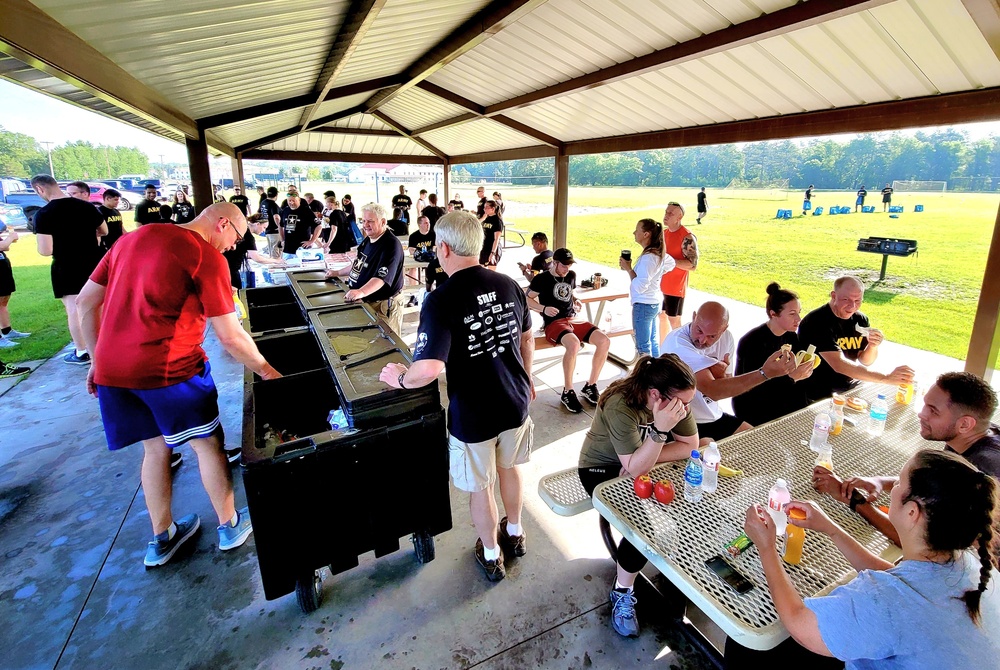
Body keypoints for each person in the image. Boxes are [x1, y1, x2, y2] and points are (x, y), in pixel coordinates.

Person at [76, 202, 280, 567]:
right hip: (170, 372)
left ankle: (163, 536)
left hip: (114, 374)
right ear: (222, 224)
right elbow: (230, 336)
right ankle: (229, 524)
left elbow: (86, 303)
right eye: (236, 237)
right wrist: (265, 369)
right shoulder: (204, 255)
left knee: (154, 450)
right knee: (208, 444)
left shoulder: (128, 240)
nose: (234, 246)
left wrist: (96, 359)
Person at [379, 210, 534, 582]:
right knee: (509, 469)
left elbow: (429, 368)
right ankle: (514, 533)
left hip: (474, 414)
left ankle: (493, 553)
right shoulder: (509, 284)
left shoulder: (441, 299)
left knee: (480, 487)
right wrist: (526, 379)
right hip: (516, 402)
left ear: (444, 248)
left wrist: (399, 377)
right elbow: (527, 336)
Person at [743, 449, 999, 668]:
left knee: (752, 644)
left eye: (898, 482)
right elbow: (900, 580)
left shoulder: (884, 602)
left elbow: (800, 626)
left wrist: (766, 547)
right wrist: (832, 528)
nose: (893, 488)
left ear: (912, 512)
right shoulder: (971, 562)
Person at [577, 354, 700, 637]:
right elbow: (633, 468)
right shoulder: (620, 403)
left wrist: (642, 460)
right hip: (600, 469)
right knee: (643, 528)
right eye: (682, 403)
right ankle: (623, 590)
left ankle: (681, 572)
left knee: (696, 504)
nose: (686, 409)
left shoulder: (675, 402)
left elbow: (691, 445)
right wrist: (658, 433)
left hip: (641, 463)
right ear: (655, 394)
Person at [813, 371, 1000, 547]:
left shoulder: (982, 470)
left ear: (965, 424)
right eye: (925, 404)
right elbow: (936, 486)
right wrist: (880, 481)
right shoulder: (971, 435)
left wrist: (854, 501)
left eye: (933, 411)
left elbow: (920, 543)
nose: (921, 413)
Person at [663, 301, 796, 440]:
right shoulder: (678, 345)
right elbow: (712, 390)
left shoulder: (727, 339)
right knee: (710, 453)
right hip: (679, 421)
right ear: (694, 316)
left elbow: (726, 387)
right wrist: (764, 373)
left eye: (712, 336)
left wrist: (719, 378)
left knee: (761, 442)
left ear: (724, 329)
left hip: (712, 415)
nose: (702, 340)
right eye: (699, 331)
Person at [797, 276, 914, 402]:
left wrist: (872, 345)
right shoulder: (817, 322)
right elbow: (839, 365)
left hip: (848, 385)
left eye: (858, 300)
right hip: (817, 390)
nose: (852, 306)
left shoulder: (860, 319)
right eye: (846, 299)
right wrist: (886, 378)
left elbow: (865, 360)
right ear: (834, 296)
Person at [30, 174, 107, 365]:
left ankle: (82, 352)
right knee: (99, 305)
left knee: (74, 309)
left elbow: (45, 250)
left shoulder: (44, 214)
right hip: (94, 262)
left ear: (40, 189)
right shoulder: (86, 206)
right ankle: (105, 345)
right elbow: (104, 231)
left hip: (67, 266)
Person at [527, 248, 611, 413]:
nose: (567, 269)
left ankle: (591, 385)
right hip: (554, 323)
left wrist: (576, 300)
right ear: (555, 263)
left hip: (573, 319)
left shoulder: (571, 276)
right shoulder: (541, 279)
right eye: (564, 265)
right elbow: (526, 298)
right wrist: (543, 308)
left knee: (604, 341)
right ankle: (568, 390)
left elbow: (568, 293)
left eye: (569, 265)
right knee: (573, 344)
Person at [733, 283, 814, 426]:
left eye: (799, 312)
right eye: (792, 314)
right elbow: (752, 387)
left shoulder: (791, 337)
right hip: (755, 406)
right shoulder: (752, 342)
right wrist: (792, 378)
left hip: (781, 397)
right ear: (773, 313)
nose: (799, 319)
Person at [326, 203, 405, 336]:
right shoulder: (368, 240)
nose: (365, 225)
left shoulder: (391, 245)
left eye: (370, 221)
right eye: (364, 221)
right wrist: (337, 272)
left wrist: (360, 292)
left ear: (383, 222)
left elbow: (381, 278)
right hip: (367, 300)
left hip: (384, 305)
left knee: (387, 342)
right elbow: (358, 264)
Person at [621, 218, 673, 358]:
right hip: (653, 303)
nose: (634, 232)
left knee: (643, 347)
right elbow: (670, 263)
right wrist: (657, 273)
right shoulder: (657, 254)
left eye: (637, 230)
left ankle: (647, 376)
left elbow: (639, 286)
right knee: (652, 342)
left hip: (643, 305)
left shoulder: (648, 258)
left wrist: (628, 269)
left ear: (646, 234)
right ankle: (658, 373)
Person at [659, 201, 698, 336]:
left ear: (679, 217)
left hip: (675, 287)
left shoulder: (687, 237)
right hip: (661, 284)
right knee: (662, 316)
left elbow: (692, 265)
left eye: (671, 213)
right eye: (666, 212)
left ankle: (678, 353)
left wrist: (671, 261)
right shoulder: (663, 233)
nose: (666, 215)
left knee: (674, 320)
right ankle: (662, 350)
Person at [0, 226, 30, 349]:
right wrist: (11, 237)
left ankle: (7, 330)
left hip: (2, 264)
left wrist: (9, 240)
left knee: (3, 300)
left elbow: (5, 247)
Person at [278, 192, 321, 261]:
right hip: (287, 249)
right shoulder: (285, 211)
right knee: (286, 268)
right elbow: (280, 226)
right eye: (289, 200)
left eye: (293, 200)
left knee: (302, 270)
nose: (291, 203)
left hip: (302, 248)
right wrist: (282, 240)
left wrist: (312, 240)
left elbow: (318, 226)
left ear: (299, 200)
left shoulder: (306, 211)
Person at [97, 188, 126, 254]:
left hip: (118, 244)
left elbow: (121, 227)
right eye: (115, 200)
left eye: (118, 199)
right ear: (107, 199)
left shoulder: (116, 211)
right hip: (105, 246)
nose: (118, 201)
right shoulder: (99, 212)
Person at [258, 186, 282, 258]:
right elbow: (276, 217)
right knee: (276, 250)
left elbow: (259, 213)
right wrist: (279, 227)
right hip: (274, 231)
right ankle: (276, 266)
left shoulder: (263, 202)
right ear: (276, 195)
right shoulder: (273, 204)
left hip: (267, 230)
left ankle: (272, 263)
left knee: (271, 249)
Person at [479, 199, 503, 269]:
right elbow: (475, 225)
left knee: (491, 272)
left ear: (493, 209)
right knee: (481, 271)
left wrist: (493, 253)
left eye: (486, 207)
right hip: (484, 247)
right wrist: (482, 218)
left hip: (492, 248)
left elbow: (496, 239)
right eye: (484, 207)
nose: (484, 209)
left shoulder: (497, 221)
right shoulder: (486, 218)